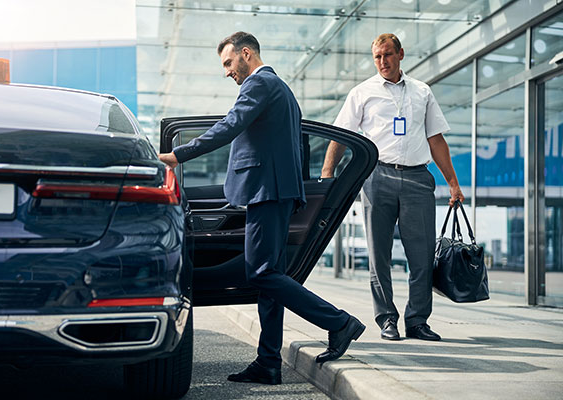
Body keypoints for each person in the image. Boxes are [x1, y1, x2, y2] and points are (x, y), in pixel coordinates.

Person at [158, 32, 365, 385]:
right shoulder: (281, 90)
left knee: (262, 274)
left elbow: (229, 126)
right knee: (270, 279)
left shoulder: (259, 84)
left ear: (246, 53)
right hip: (274, 191)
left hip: (267, 192)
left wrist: (178, 155)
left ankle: (339, 322)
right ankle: (268, 361)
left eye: (228, 63)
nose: (227, 72)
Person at [321, 33, 464, 342]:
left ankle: (417, 321)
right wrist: (327, 173)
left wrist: (452, 182)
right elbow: (341, 135)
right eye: (377, 57)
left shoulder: (422, 92)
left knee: (422, 256)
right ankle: (387, 319)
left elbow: (436, 139)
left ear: (400, 54)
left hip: (417, 179)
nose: (382, 61)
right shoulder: (362, 92)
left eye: (387, 55)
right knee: (379, 255)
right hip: (377, 178)